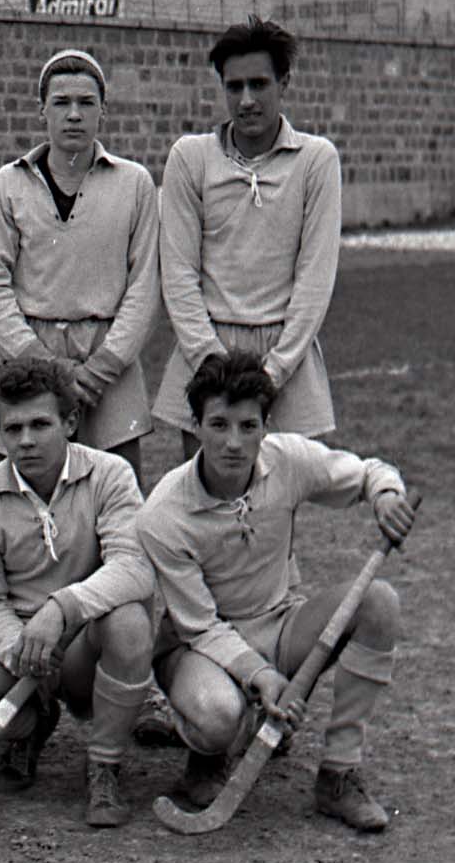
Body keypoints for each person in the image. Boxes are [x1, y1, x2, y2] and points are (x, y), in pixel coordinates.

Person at [137, 350, 415, 833]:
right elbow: (199, 625)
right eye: (218, 425)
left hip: (281, 623)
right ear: (195, 426)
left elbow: (370, 471)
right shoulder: (162, 513)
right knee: (218, 715)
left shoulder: (287, 459)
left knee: (379, 602)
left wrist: (386, 496)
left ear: (266, 426)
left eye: (248, 426)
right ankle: (210, 751)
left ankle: (339, 773)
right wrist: (262, 676)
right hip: (196, 646)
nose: (233, 442)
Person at [0, 356, 157, 825]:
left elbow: (133, 567)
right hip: (18, 646)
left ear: (69, 422)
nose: (26, 440)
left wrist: (62, 607)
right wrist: (23, 650)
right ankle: (31, 721)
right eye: (13, 428)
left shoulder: (110, 474)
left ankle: (104, 764)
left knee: (130, 620)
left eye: (40, 424)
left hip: (84, 639)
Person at [152, 16, 342, 453]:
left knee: (283, 492)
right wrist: (211, 363)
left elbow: (315, 279)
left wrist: (273, 373)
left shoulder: (316, 160)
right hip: (206, 355)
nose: (247, 100)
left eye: (259, 84)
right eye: (234, 87)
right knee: (207, 491)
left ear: (284, 82)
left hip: (287, 363)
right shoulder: (190, 157)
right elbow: (178, 272)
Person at [0, 48, 159, 479]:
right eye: (61, 103)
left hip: (107, 366)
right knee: (19, 492)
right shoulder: (10, 183)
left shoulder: (134, 183)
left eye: (86, 103)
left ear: (103, 111)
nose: (74, 115)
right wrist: (39, 361)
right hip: (26, 356)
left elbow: (145, 284)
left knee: (114, 489)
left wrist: (104, 366)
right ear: (42, 111)